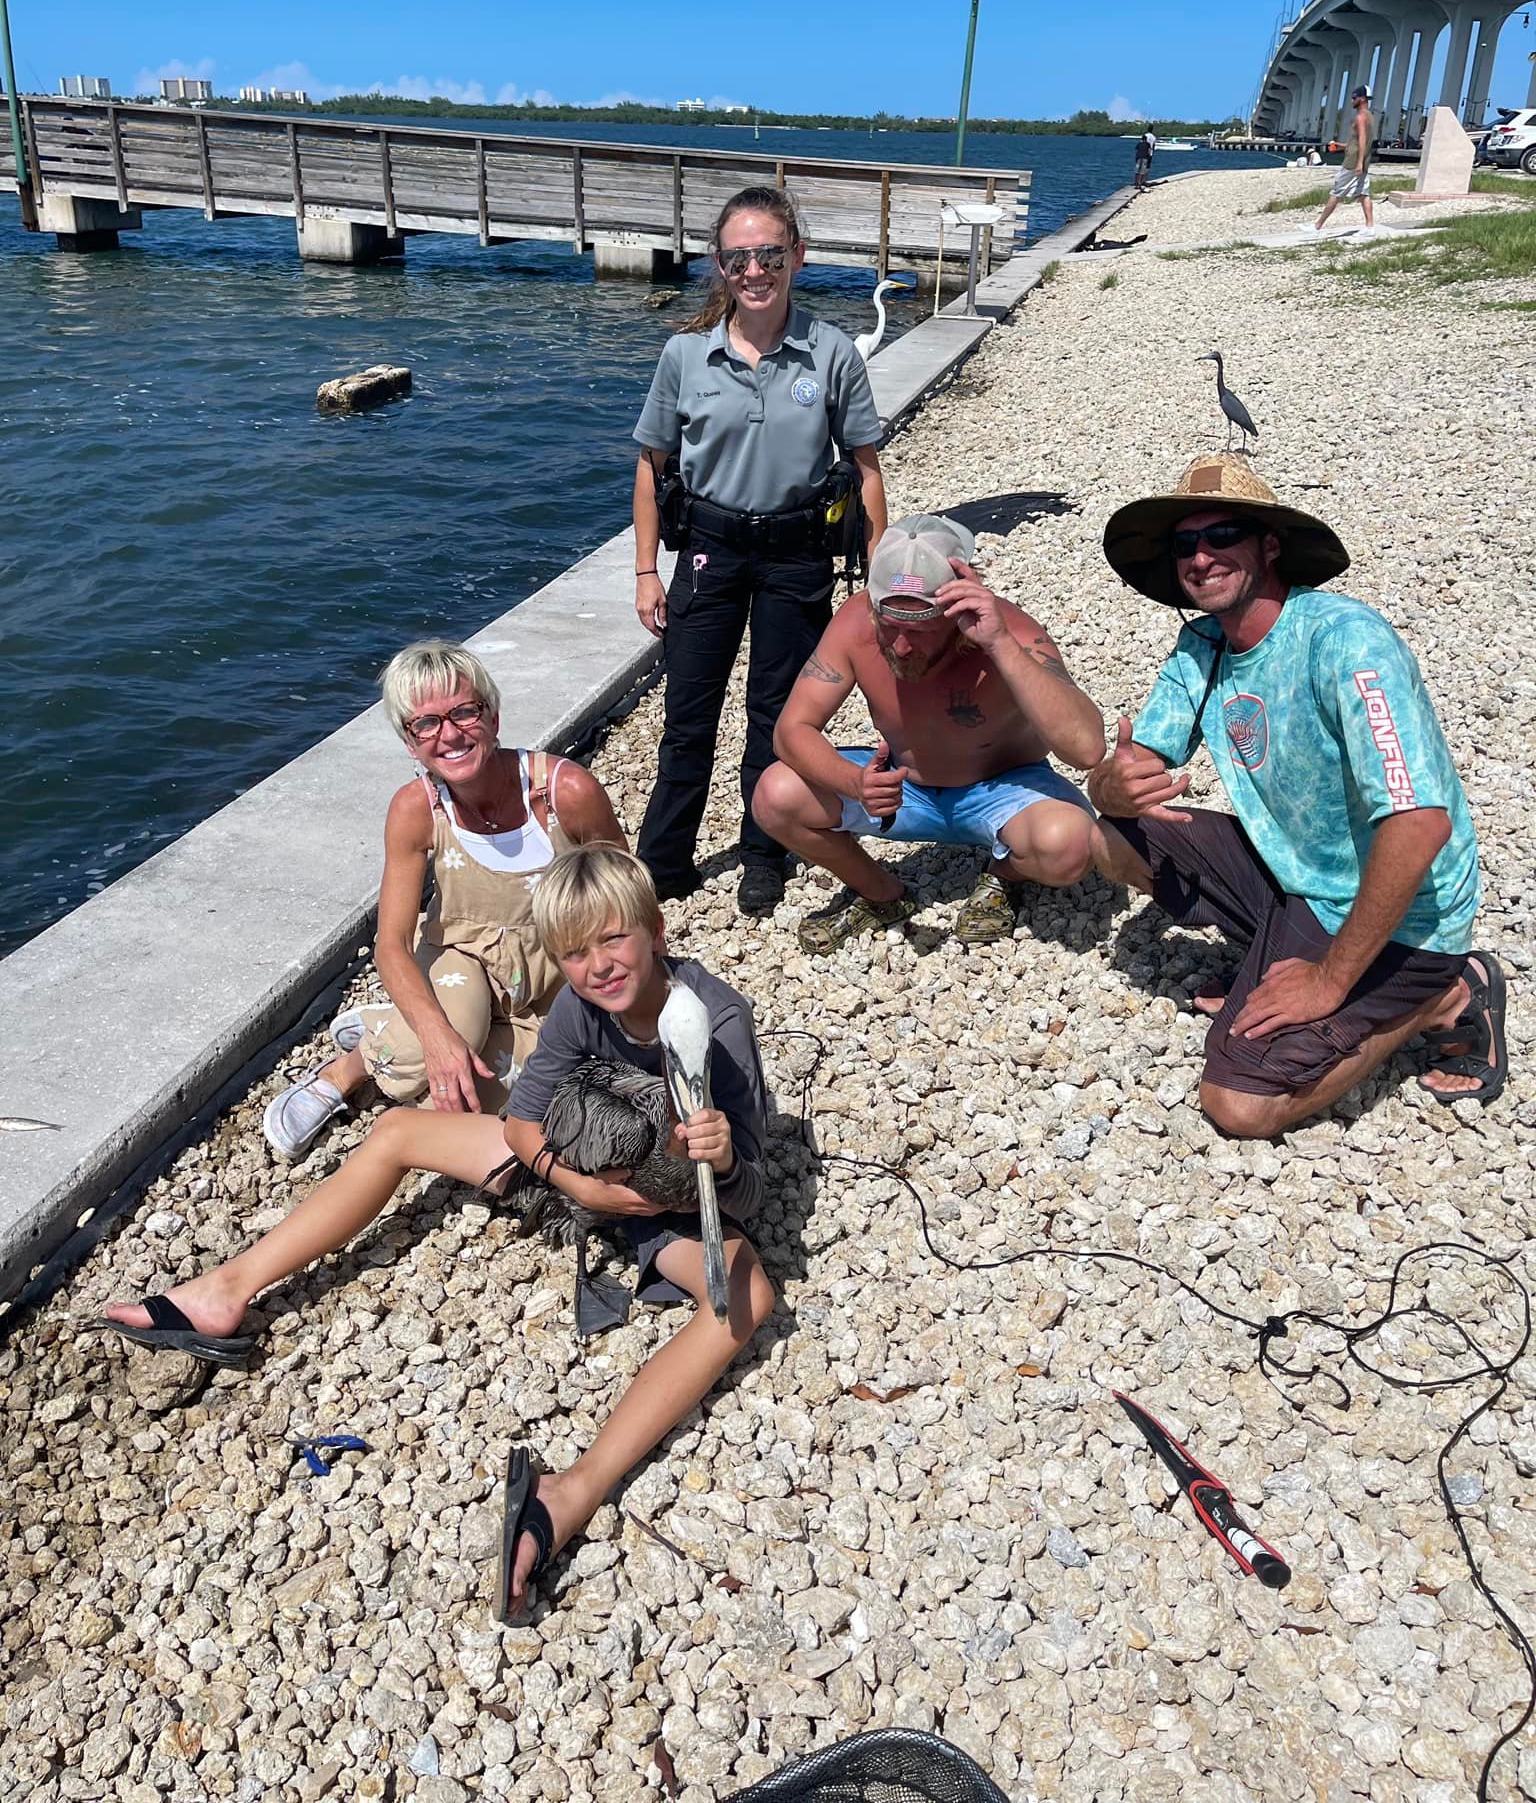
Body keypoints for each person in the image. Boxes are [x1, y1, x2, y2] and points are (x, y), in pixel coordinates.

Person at [95, 845, 775, 1621]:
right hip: (575, 1165)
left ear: (655, 931)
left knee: (745, 1295)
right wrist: (578, 1184)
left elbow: (749, 1192)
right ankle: (225, 1293)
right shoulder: (580, 1007)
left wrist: (718, 1166)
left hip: (671, 1208)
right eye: (576, 952)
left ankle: (570, 1494)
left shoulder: (714, 1022)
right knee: (394, 1131)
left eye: (614, 940)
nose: (599, 966)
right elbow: (522, 1125)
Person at [1088, 454, 1507, 1139]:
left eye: (1222, 534)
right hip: (1302, 878)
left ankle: (1441, 992)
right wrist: (1110, 784)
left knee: (1239, 1105)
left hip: (1406, 914)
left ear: (1270, 546)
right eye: (1185, 543)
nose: (1201, 556)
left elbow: (1420, 823)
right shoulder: (1202, 644)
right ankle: (1272, 955)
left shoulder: (1344, 640)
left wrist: (1329, 981)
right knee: (1106, 832)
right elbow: (1130, 768)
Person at [631, 184, 888, 919]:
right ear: (720, 265)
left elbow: (866, 468)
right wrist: (648, 570)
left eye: (769, 254)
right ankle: (664, 860)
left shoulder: (832, 352)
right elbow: (651, 467)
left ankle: (763, 853)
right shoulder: (685, 356)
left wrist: (877, 578)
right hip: (708, 551)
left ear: (796, 257)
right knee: (688, 713)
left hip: (795, 554)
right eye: (739, 256)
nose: (754, 269)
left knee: (778, 716)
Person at [262, 641, 625, 1157]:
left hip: (552, 972)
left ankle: (385, 1027)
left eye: (464, 712)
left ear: (493, 716)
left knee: (480, 1098)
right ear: (411, 743)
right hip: (461, 955)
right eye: (426, 724)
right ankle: (346, 1071)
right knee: (445, 1039)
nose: (450, 735)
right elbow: (390, 944)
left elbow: (626, 900)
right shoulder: (416, 810)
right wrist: (437, 1038)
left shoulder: (565, 793)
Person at [754, 514, 1105, 952]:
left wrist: (999, 644)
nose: (901, 646)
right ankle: (883, 896)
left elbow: (1088, 748)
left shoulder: (1010, 632)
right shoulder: (855, 622)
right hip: (907, 787)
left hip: (1004, 788)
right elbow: (791, 730)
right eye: (891, 625)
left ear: (957, 606)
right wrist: (855, 784)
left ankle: (1003, 878)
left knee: (1071, 845)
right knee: (775, 794)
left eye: (919, 630)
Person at [1314, 87, 1375, 232]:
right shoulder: (1370, 116)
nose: (1352, 101)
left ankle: (1317, 226)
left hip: (1353, 162)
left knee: (1336, 192)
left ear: (1362, 98)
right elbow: (1358, 142)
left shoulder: (1360, 117)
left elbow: (1362, 139)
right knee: (1363, 193)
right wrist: (1340, 146)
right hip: (1364, 160)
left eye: (1354, 98)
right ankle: (1370, 227)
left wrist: (1358, 162)